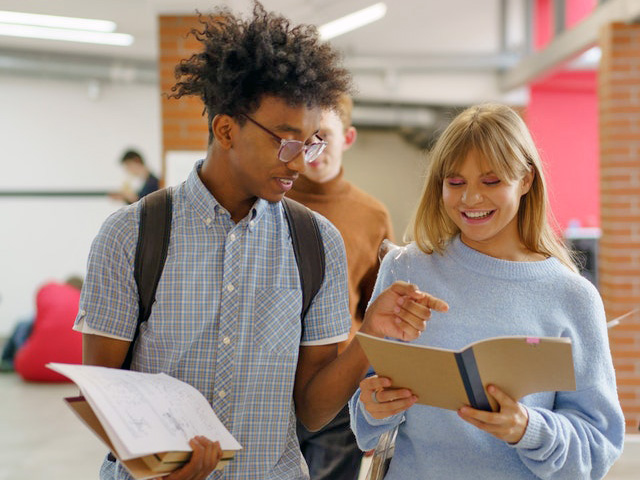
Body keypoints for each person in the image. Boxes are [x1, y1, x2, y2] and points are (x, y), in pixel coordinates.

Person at [73, 3, 447, 480]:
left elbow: (312, 410)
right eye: (286, 141)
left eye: (311, 143)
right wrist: (157, 466)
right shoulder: (134, 234)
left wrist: (371, 334)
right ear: (226, 129)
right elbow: (103, 396)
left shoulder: (317, 244)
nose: (300, 161)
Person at [349, 103, 625, 479]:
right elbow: (364, 416)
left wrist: (528, 429)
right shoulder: (406, 269)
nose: (470, 199)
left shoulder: (572, 296)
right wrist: (374, 405)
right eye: (456, 183)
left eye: (491, 182)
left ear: (526, 180)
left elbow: (597, 447)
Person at [287, 95, 394, 480]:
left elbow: (373, 309)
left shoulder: (372, 214)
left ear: (348, 138)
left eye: (325, 136)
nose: (314, 148)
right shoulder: (267, 202)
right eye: (305, 137)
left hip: (338, 387)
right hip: (269, 382)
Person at [1, 276, 83, 381]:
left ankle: (8, 360)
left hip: (35, 356)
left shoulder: (57, 297)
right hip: (72, 363)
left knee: (23, 324)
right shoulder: (78, 303)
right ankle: (10, 360)